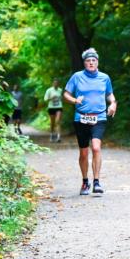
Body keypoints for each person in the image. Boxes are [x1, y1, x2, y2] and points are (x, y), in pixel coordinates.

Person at [64, 48, 117, 196]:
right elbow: (66, 94)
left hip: (99, 117)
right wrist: (74, 100)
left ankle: (97, 182)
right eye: (88, 60)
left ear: (97, 62)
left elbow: (110, 94)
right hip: (81, 117)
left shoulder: (104, 77)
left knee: (96, 147)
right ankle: (85, 181)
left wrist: (113, 104)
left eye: (93, 60)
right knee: (83, 152)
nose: (91, 62)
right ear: (84, 63)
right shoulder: (77, 77)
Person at [43, 78, 63, 142]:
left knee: (57, 121)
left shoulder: (60, 90)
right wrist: (51, 98)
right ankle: (51, 135)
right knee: (52, 123)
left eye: (57, 83)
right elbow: (45, 99)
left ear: (58, 84)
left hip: (59, 107)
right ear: (52, 84)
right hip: (51, 107)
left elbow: (62, 98)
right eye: (54, 83)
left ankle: (58, 137)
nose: (55, 84)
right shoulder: (49, 90)